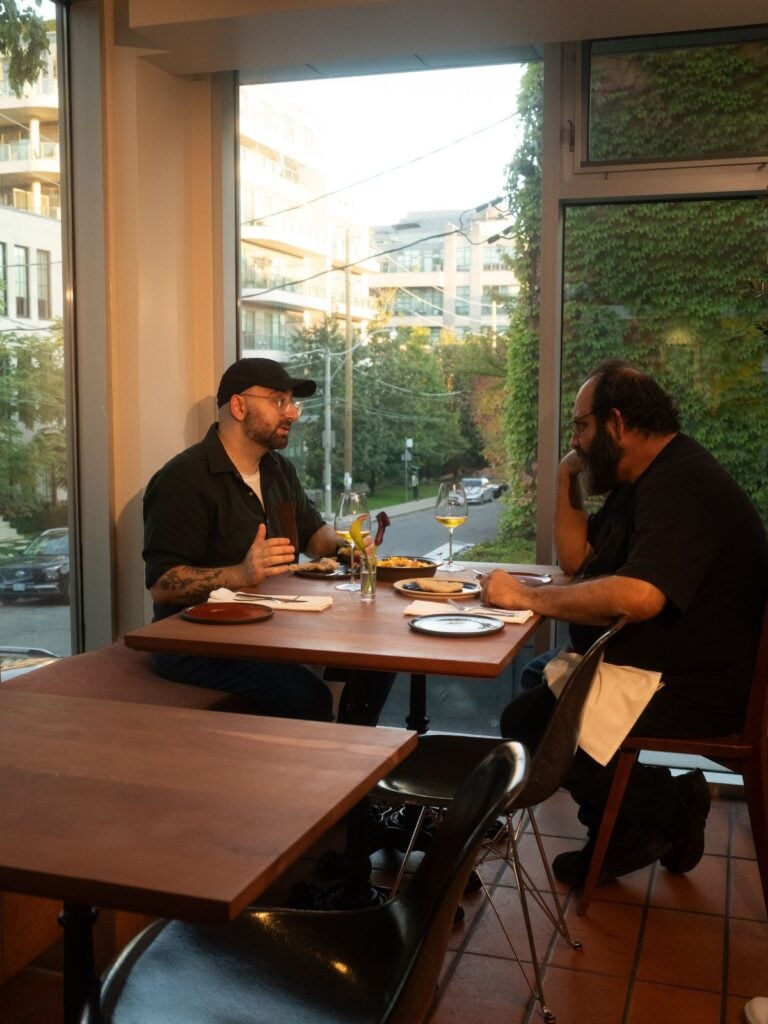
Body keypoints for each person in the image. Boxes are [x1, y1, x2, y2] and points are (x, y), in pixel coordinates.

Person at [486, 359, 768, 887]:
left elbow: (640, 597)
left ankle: (661, 813)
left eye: (581, 427)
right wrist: (569, 472)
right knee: (539, 676)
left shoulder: (680, 486)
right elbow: (576, 559)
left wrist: (527, 596)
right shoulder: (640, 479)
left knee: (528, 723)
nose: (577, 439)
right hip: (660, 667)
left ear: (616, 423)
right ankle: (645, 814)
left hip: (696, 689)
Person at [143, 356, 393, 722]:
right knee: (307, 696)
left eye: (293, 403)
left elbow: (312, 535)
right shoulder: (182, 480)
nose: (292, 414)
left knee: (375, 656)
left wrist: (346, 549)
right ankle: (320, 771)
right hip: (197, 641)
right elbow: (162, 585)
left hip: (270, 624)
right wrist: (240, 573)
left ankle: (348, 760)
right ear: (239, 406)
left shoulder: (278, 469)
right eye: (279, 401)